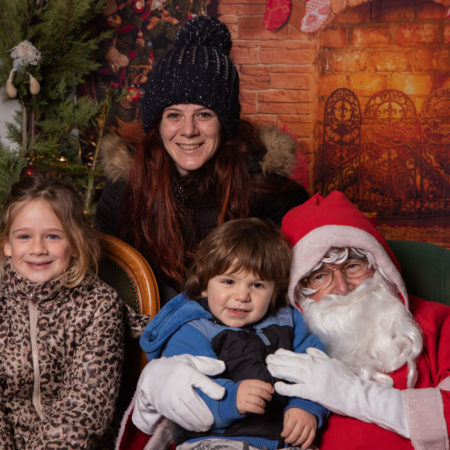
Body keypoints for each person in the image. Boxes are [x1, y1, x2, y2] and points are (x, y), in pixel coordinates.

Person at [95, 15, 308, 305]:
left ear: (224, 122)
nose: (188, 130)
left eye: (204, 115)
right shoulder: (126, 187)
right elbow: (107, 279)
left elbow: (307, 268)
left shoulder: (263, 185)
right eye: (174, 115)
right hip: (153, 326)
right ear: (158, 124)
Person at [265, 190, 450, 449]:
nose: (342, 288)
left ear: (380, 267)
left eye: (352, 266)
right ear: (297, 289)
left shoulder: (440, 322)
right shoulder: (278, 338)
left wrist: (354, 395)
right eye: (319, 277)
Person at [129, 218, 328, 450]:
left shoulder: (288, 321)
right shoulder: (191, 329)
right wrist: (232, 399)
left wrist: (305, 406)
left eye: (257, 285)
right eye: (229, 281)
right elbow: (184, 394)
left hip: (281, 440)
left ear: (275, 291)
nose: (242, 296)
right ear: (204, 285)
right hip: (213, 440)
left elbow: (317, 366)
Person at [0, 173, 125, 449]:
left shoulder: (99, 305)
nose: (38, 249)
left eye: (53, 236)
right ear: (7, 244)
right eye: (24, 236)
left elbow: (86, 406)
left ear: (76, 243)